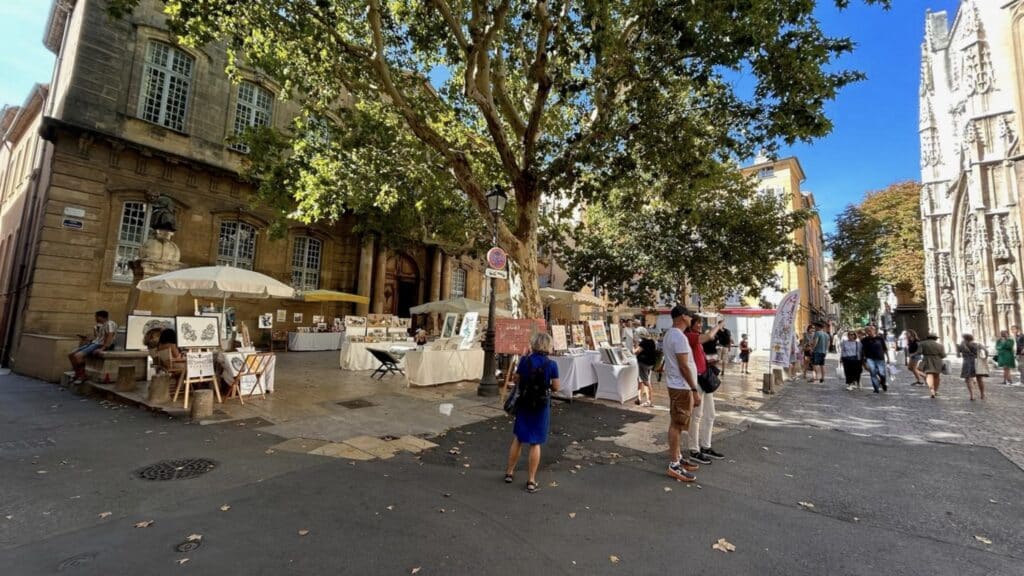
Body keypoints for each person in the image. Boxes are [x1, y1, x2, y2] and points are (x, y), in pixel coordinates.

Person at [505, 332, 561, 493]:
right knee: (535, 442)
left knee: (519, 438)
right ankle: (531, 479)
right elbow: (556, 387)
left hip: (524, 402)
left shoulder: (525, 361)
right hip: (541, 405)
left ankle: (509, 472)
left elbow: (516, 379)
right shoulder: (552, 365)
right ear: (547, 345)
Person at [662, 305, 701, 482]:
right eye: (689, 316)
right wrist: (694, 389)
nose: (691, 318)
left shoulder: (672, 334)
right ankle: (674, 464)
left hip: (677, 385)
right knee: (677, 424)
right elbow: (684, 365)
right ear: (683, 317)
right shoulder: (678, 336)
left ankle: (677, 458)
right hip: (681, 386)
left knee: (677, 421)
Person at [685, 318, 724, 465]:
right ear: (691, 325)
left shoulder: (696, 338)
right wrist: (718, 326)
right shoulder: (690, 336)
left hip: (705, 380)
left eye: (702, 323)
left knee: (710, 414)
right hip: (697, 381)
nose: (701, 325)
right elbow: (708, 336)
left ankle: (706, 446)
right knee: (697, 416)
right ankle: (694, 450)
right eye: (698, 323)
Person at [68, 310, 117, 384]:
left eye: (96, 317)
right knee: (71, 354)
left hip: (99, 345)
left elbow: (110, 336)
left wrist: (102, 348)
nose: (95, 318)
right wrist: (88, 339)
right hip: (95, 343)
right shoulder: (103, 325)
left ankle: (82, 376)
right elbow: (99, 338)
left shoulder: (110, 323)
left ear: (100, 317)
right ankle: (77, 374)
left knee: (78, 356)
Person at [860, 326, 889, 393]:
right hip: (870, 359)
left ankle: (883, 383)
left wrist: (888, 358)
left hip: (880, 358)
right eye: (867, 331)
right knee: (873, 373)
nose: (869, 332)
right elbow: (862, 351)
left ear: (874, 331)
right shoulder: (864, 340)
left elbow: (885, 349)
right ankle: (876, 388)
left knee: (882, 373)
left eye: (870, 331)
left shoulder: (880, 338)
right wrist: (863, 361)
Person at [957, 334, 986, 401]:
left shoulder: (961, 345)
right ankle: (982, 394)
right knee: (980, 379)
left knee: (968, 379)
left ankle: (972, 395)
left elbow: (958, 355)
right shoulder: (977, 344)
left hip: (967, 362)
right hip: (977, 362)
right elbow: (985, 352)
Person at [634, 328, 657, 407]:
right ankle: (639, 399)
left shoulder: (644, 342)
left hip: (644, 363)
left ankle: (649, 401)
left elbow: (636, 352)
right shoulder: (651, 341)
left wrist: (635, 345)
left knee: (646, 382)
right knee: (641, 380)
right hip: (650, 363)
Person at [919, 334, 945, 398]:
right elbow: (943, 355)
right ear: (935, 338)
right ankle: (935, 391)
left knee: (929, 375)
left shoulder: (922, 344)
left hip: (927, 359)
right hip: (937, 360)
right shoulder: (940, 345)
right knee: (936, 376)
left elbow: (919, 352)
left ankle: (932, 391)